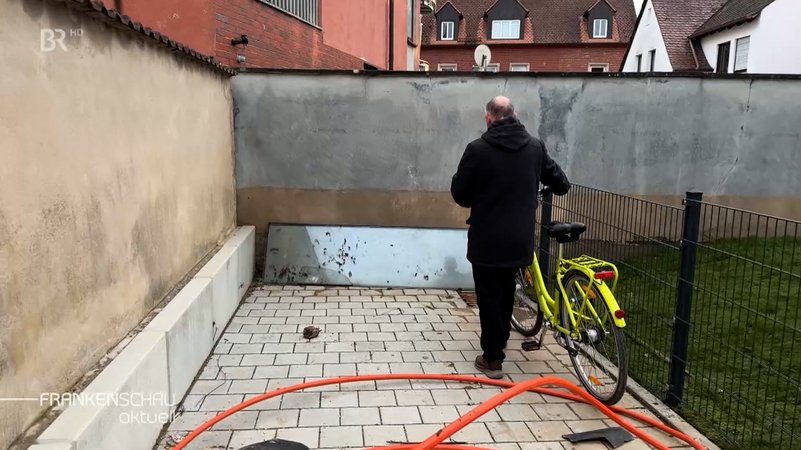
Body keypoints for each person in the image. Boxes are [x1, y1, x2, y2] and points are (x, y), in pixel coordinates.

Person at [450, 96, 571, 379]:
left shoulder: (477, 149)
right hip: (519, 238)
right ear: (514, 116)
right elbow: (561, 183)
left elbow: (460, 194)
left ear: (488, 118)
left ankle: (493, 358)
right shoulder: (535, 147)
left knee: (488, 295)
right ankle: (500, 339)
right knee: (506, 289)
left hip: (486, 238)